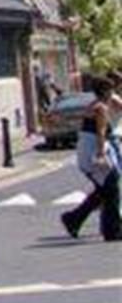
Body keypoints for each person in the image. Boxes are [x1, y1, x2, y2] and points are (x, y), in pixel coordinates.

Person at [61, 75, 120, 241]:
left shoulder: (93, 105)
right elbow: (101, 132)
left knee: (103, 191)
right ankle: (112, 231)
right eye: (111, 90)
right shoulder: (100, 108)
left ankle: (73, 219)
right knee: (111, 188)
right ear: (105, 91)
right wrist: (101, 154)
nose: (113, 93)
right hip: (94, 151)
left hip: (86, 151)